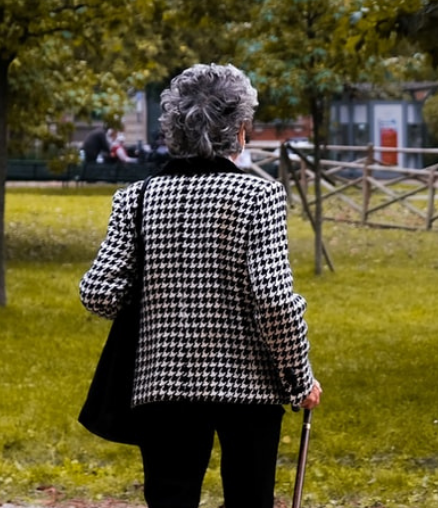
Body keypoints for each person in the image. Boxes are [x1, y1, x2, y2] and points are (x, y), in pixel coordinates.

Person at [80, 63, 321, 508]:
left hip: (163, 381)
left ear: (174, 127)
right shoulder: (259, 197)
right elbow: (275, 301)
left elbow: (98, 292)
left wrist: (157, 286)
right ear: (241, 130)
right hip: (250, 385)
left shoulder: (136, 199)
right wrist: (299, 379)